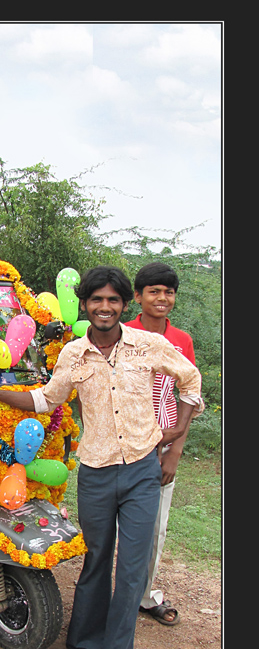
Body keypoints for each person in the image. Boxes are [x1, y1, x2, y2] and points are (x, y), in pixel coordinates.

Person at [0, 266, 203, 649]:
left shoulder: (149, 345)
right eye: (97, 300)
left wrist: (177, 431)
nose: (105, 307)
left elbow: (190, 381)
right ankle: (84, 642)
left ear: (124, 305)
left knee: (130, 571)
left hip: (142, 473)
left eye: (113, 300)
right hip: (95, 473)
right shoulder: (73, 354)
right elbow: (45, 399)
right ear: (87, 305)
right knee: (95, 560)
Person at [125, 262, 196, 626]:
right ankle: (106, 595)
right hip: (124, 446)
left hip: (164, 447)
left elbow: (190, 394)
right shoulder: (122, 333)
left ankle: (143, 595)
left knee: (155, 527)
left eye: (168, 291)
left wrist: (176, 452)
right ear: (137, 297)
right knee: (112, 526)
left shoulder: (181, 341)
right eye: (154, 290)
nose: (162, 298)